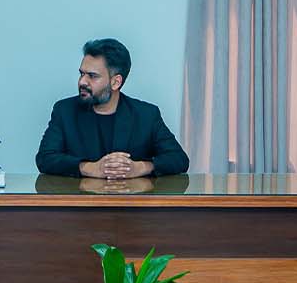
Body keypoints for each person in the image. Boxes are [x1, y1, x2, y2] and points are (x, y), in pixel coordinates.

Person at [36, 38, 188, 179]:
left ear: (116, 82)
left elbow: (178, 159)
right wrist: (89, 168)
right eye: (82, 74)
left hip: (130, 198)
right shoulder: (64, 111)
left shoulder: (146, 115)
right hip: (81, 198)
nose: (82, 81)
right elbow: (45, 158)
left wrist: (140, 167)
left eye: (92, 76)